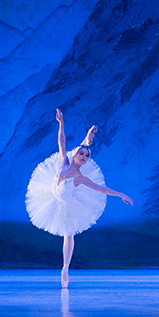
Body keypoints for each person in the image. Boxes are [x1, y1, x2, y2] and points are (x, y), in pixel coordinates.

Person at [26, 109, 133, 288]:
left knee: (68, 234)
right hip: (51, 195)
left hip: (67, 202)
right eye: (81, 154)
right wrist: (61, 123)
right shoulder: (64, 163)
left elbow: (100, 189)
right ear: (75, 155)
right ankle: (87, 139)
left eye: (87, 156)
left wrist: (120, 194)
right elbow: (62, 142)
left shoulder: (80, 178)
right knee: (79, 145)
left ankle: (65, 268)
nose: (84, 157)